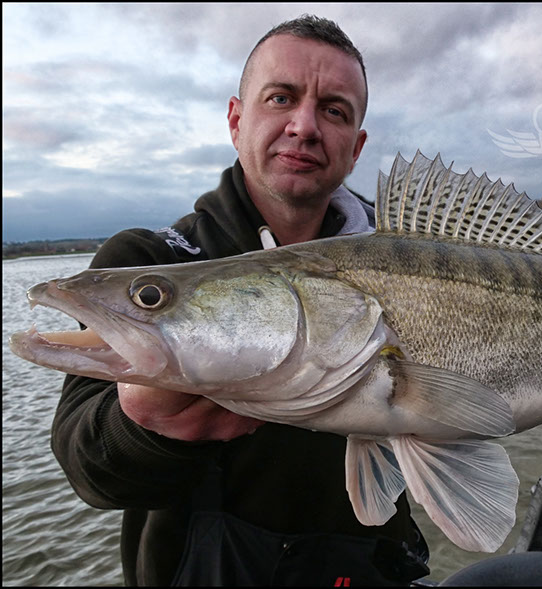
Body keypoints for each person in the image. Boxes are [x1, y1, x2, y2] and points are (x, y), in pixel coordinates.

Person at [50, 14, 429, 587]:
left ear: (357, 148)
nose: (304, 126)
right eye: (281, 98)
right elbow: (87, 467)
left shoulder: (415, 255)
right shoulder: (150, 264)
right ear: (236, 119)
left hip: (369, 568)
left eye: (334, 110)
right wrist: (143, 427)